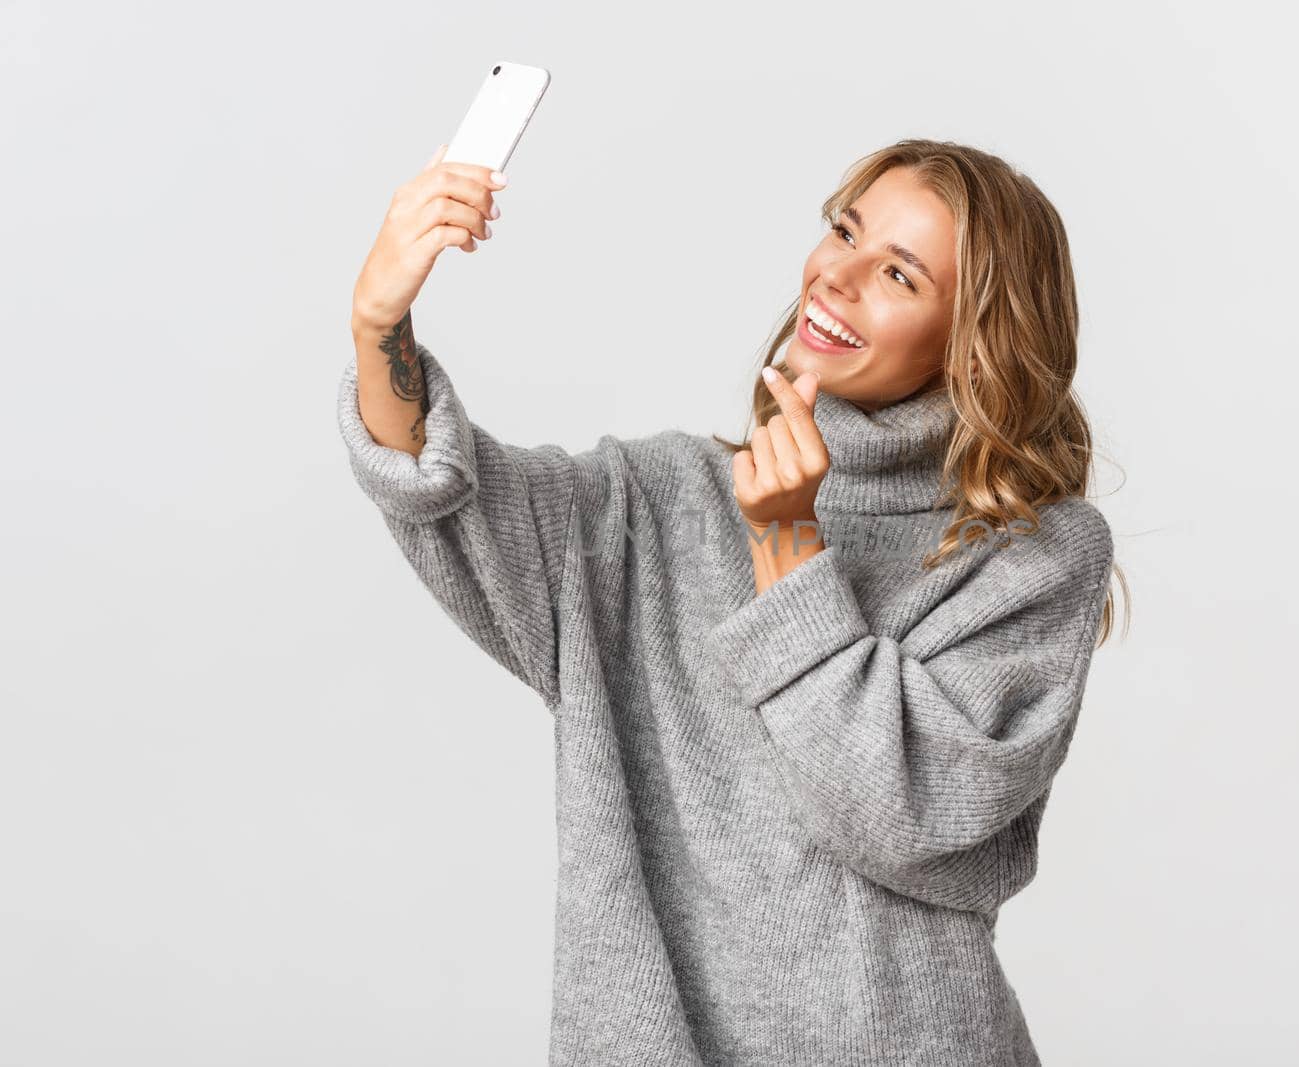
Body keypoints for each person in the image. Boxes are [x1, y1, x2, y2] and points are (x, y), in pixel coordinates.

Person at [337, 136, 1128, 1065]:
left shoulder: (1030, 557)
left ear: (975, 346)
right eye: (845, 231)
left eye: (900, 275)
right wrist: (376, 323)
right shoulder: (661, 500)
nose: (838, 276)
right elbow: (457, 502)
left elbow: (904, 817)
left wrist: (789, 546)